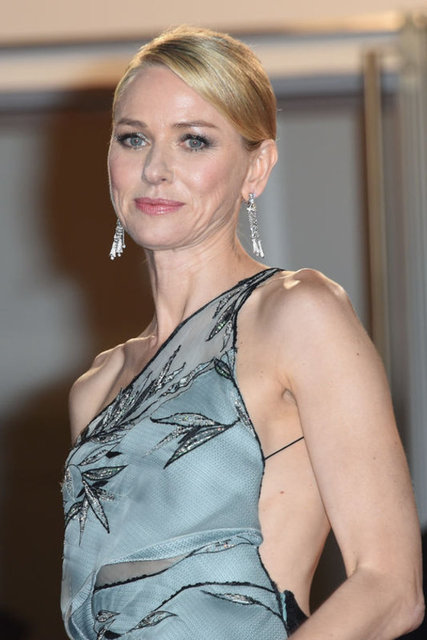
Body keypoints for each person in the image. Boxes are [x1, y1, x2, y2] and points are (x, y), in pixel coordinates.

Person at [61, 25, 424, 639]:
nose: (155, 169)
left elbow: (390, 587)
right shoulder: (95, 387)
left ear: (256, 167)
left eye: (194, 141)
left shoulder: (296, 315)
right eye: (133, 138)